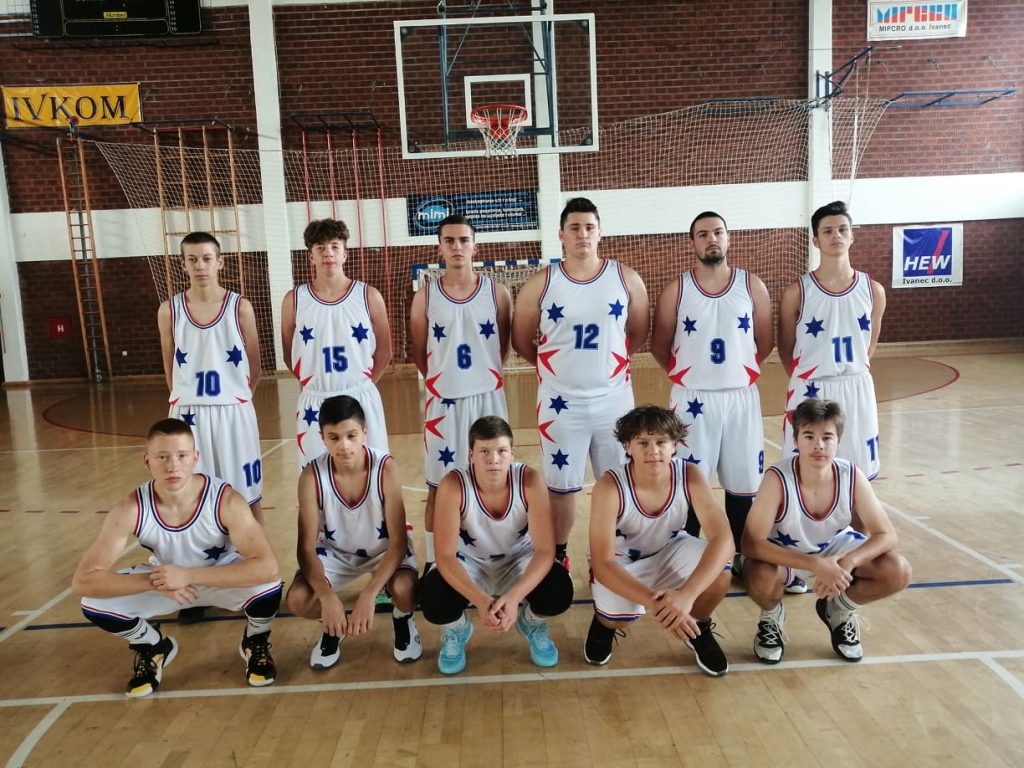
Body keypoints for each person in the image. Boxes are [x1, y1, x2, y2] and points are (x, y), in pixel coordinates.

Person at [73, 418, 282, 698]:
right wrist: (155, 582)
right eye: (162, 457)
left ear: (195, 458)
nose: (172, 466)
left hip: (219, 577)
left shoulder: (225, 500)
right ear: (147, 461)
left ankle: (255, 640)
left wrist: (188, 575)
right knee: (93, 602)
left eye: (181, 456)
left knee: (268, 585)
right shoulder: (131, 508)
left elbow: (268, 566)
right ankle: (153, 646)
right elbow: (83, 581)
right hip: (166, 583)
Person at [511, 197, 649, 567]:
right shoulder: (542, 284)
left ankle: (611, 555)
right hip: (561, 402)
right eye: (574, 228)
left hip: (614, 400)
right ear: (561, 235)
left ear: (600, 232)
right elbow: (522, 339)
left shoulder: (626, 278)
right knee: (561, 487)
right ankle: (559, 558)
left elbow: (637, 332)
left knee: (618, 483)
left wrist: (608, 365)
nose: (582, 234)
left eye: (589, 227)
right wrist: (555, 369)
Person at [742, 399, 911, 664]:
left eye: (827, 437)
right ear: (796, 440)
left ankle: (839, 610)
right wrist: (815, 564)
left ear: (838, 441)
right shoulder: (777, 478)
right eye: (809, 436)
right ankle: (771, 617)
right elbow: (751, 544)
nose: (818, 445)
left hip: (834, 551)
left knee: (898, 570)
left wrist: (848, 562)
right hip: (785, 554)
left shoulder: (851, 475)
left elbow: (887, 535)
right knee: (759, 576)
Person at [651, 211, 775, 572]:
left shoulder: (752, 285)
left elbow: (764, 341)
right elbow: (660, 346)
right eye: (703, 234)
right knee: (689, 482)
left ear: (728, 237)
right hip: (692, 398)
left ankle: (742, 556)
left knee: (744, 484)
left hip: (740, 397)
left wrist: (734, 371)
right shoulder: (677, 289)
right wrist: (693, 376)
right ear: (692, 242)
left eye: (718, 232)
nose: (712, 239)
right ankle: (685, 557)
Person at [585, 405, 732, 677]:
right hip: (621, 562)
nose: (653, 450)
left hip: (670, 548)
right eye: (643, 443)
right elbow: (603, 563)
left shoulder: (689, 474)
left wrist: (686, 596)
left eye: (661, 442)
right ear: (627, 446)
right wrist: (659, 606)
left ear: (674, 445)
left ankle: (697, 626)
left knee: (721, 573)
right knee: (618, 618)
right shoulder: (609, 486)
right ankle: (603, 624)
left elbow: (723, 539)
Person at [420, 416, 573, 675]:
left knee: (560, 588)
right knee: (431, 597)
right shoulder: (453, 485)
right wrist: (480, 601)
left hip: (517, 560)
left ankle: (531, 623)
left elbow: (546, 551)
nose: (493, 459)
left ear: (512, 453)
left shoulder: (529, 481)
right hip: (470, 562)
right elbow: (444, 556)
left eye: (501, 451)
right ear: (471, 455)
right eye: (484, 451)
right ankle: (457, 629)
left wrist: (514, 598)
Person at [285, 395, 421, 669]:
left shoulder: (385, 468)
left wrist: (369, 593)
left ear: (365, 433)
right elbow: (306, 548)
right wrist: (327, 597)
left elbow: (397, 542)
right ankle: (333, 626)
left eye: (351, 436)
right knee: (298, 599)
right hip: (336, 553)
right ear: (322, 438)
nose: (344, 445)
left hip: (384, 550)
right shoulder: (311, 476)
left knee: (405, 590)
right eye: (334, 438)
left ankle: (402, 618)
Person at [409, 214, 512, 574]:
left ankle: (496, 557)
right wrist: (447, 380)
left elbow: (502, 348)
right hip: (444, 404)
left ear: (475, 246)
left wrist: (479, 377)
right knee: (439, 486)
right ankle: (433, 564)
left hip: (488, 398)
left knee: (495, 481)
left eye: (464, 240)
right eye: (449, 240)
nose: (457, 247)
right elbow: (419, 351)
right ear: (439, 247)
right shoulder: (425, 296)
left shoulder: (497, 292)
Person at [156, 232, 264, 522]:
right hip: (189, 412)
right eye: (192, 260)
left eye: (206, 258)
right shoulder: (169, 311)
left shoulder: (240, 307)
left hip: (233, 410)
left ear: (220, 262)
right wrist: (186, 399)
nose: (200, 266)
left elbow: (255, 365)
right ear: (183, 265)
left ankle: (259, 551)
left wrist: (236, 398)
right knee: (190, 494)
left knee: (246, 494)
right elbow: (170, 368)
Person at [779, 200, 886, 479]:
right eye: (827, 231)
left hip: (856, 386)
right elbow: (786, 349)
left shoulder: (873, 290)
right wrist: (809, 376)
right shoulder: (797, 292)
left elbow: (869, 346)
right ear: (816, 240)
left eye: (842, 229)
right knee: (802, 473)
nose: (836, 235)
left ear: (852, 235)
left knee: (858, 474)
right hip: (811, 387)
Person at [281, 218, 393, 466]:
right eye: (320, 248)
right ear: (311, 256)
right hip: (315, 400)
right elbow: (290, 353)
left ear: (345, 254)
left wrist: (360, 385)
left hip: (359, 396)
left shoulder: (368, 295)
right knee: (316, 473)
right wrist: (316, 383)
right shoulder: (294, 300)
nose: (328, 253)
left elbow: (385, 351)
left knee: (372, 470)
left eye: (334, 246)